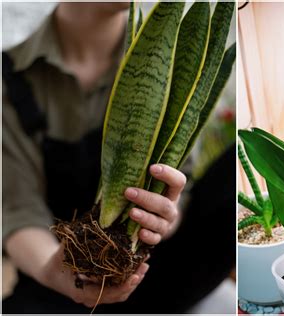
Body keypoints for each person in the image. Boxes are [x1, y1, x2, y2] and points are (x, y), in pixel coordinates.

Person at [2, 3, 236, 313]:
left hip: (154, 270)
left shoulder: (168, 58)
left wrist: (165, 215)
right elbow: (17, 209)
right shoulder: (10, 76)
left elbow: (182, 188)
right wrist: (52, 270)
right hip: (56, 277)